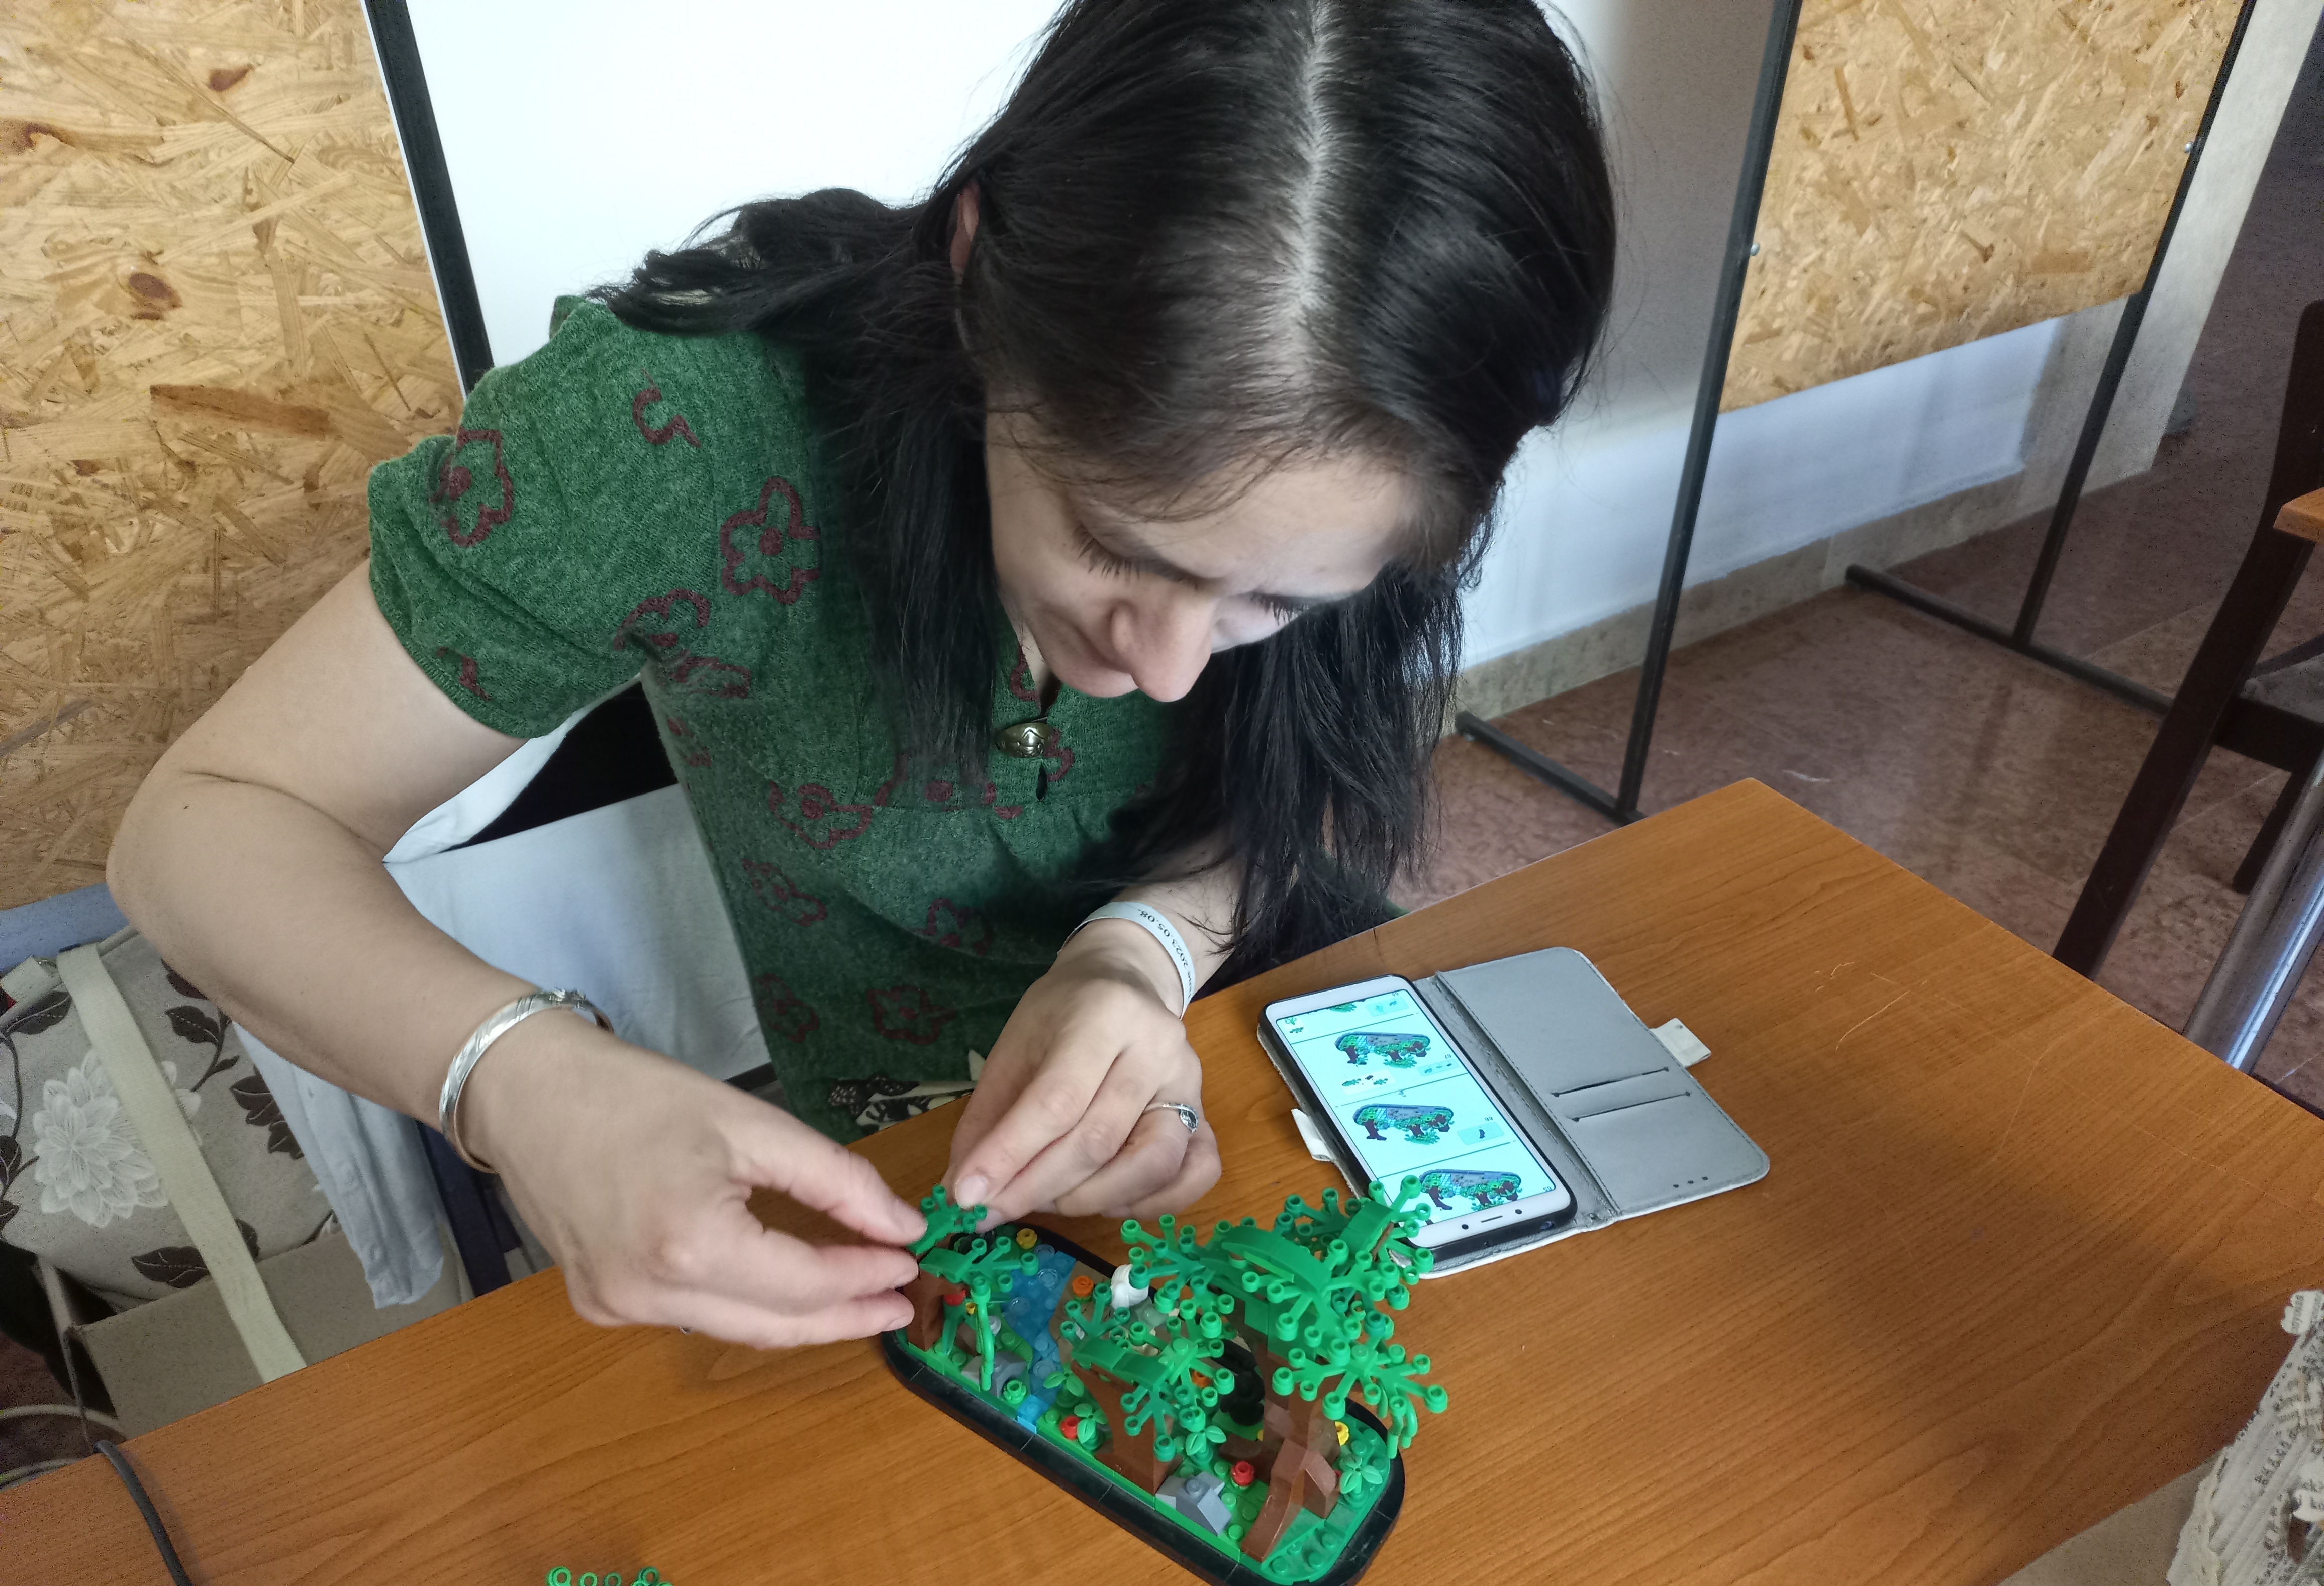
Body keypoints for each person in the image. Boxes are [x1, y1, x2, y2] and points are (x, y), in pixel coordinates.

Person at [106, 0, 1615, 1349]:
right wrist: (507, 1071)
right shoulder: (674, 435)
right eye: (1113, 542)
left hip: (1280, 1031)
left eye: (1275, 599)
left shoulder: (1408, 402)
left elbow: (1326, 773)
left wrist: (1144, 948)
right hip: (914, 1166)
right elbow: (206, 826)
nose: (1164, 673)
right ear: (975, 275)